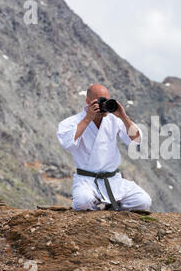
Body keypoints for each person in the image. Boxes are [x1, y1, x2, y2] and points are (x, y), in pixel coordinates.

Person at [56, 84, 152, 214]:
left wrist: (123, 116)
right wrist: (87, 119)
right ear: (88, 102)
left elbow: (135, 139)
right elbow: (68, 144)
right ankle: (93, 205)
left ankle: (110, 206)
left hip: (113, 180)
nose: (104, 105)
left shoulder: (114, 120)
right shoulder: (72, 122)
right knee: (83, 201)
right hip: (87, 180)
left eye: (107, 101)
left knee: (143, 201)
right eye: (100, 101)